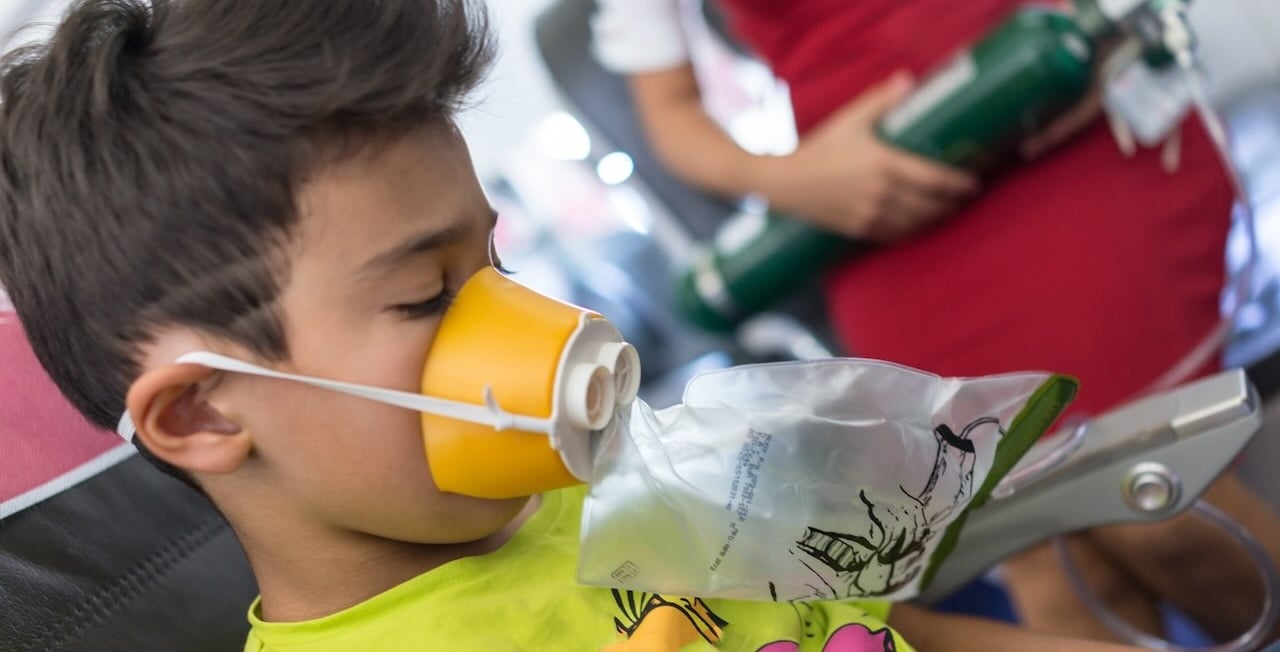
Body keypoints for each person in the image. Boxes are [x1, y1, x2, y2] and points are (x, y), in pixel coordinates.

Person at [0, 0, 1169, 650]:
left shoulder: (588, 491)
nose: (540, 326)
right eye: (425, 297)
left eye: (493, 260)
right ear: (202, 409)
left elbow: (888, 619)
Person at [592, 0, 1280, 643]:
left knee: (1156, 503)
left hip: (1051, 100)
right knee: (1037, 546)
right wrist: (793, 179)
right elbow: (668, 107)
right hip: (869, 201)